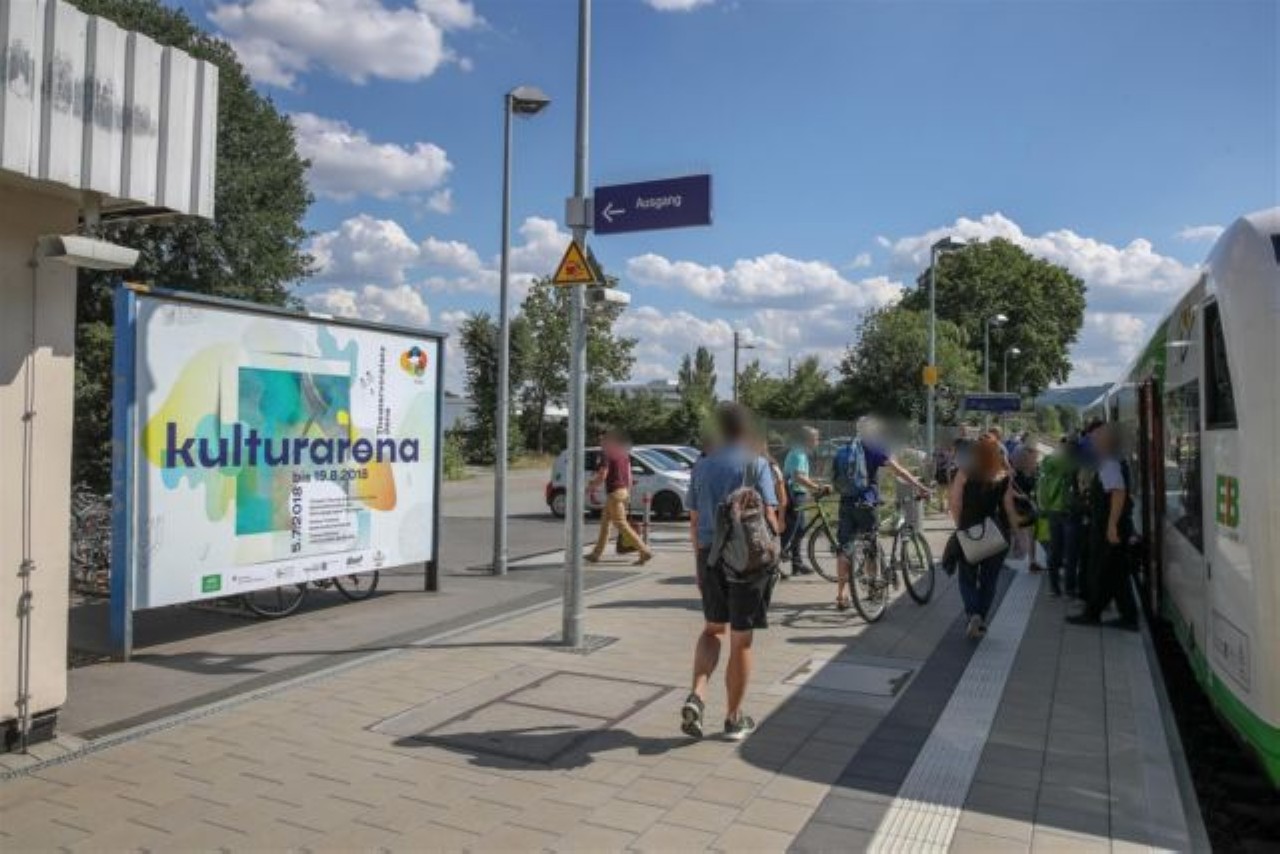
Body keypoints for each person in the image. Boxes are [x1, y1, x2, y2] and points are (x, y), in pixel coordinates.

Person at [681, 403, 780, 742]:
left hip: (709, 556)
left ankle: (697, 693)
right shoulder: (757, 464)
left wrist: (699, 564)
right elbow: (770, 516)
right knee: (741, 640)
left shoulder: (702, 465)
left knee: (712, 631)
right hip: (747, 562)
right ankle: (733, 718)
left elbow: (694, 520)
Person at [833, 417, 930, 611]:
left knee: (844, 548)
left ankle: (841, 595)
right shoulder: (874, 448)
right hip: (866, 503)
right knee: (871, 546)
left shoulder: (846, 448)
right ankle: (873, 590)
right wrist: (920, 486)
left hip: (846, 502)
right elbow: (898, 470)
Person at [1067, 424, 1138, 630]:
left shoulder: (1109, 463)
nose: (1093, 443)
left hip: (1108, 527)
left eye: (1096, 440)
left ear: (1106, 442)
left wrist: (1112, 526)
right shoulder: (1114, 460)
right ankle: (1127, 617)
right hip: (1112, 525)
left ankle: (1093, 614)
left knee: (1100, 570)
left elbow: (1118, 493)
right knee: (1117, 573)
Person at [949, 435, 1020, 638]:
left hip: (970, 530)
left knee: (967, 577)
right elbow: (1009, 508)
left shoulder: (964, 472)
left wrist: (960, 526)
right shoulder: (1002, 475)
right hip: (996, 533)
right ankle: (980, 617)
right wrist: (1017, 535)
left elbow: (955, 503)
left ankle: (973, 614)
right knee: (990, 581)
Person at [586, 429, 652, 566]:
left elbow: (603, 474)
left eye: (602, 440)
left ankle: (644, 551)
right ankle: (596, 554)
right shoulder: (623, 454)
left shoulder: (606, 455)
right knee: (605, 524)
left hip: (614, 493)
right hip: (623, 491)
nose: (601, 443)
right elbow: (629, 475)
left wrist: (592, 485)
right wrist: (628, 493)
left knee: (621, 524)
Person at [1037, 436, 1080, 597]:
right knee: (1071, 553)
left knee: (1054, 551)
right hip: (1069, 511)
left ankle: (1054, 587)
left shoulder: (1048, 462)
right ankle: (1070, 588)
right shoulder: (1074, 464)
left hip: (1052, 511)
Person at [782, 427, 823, 576]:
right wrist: (816, 487)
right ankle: (778, 558)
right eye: (816, 439)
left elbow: (802, 476)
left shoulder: (800, 452)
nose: (818, 442)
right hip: (794, 494)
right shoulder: (799, 454)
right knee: (792, 530)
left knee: (799, 530)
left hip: (798, 493)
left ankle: (796, 564)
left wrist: (814, 485)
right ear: (808, 440)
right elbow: (798, 477)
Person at [1011, 444, 1041, 569]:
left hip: (1028, 505)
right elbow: (1008, 488)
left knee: (1031, 534)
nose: (1035, 459)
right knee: (1017, 533)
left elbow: (1036, 488)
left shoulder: (1035, 470)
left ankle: (1032, 561)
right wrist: (1019, 496)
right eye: (1033, 456)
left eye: (1035, 457)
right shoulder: (1015, 471)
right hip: (1015, 505)